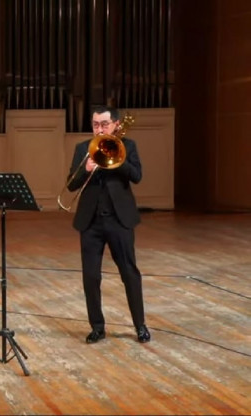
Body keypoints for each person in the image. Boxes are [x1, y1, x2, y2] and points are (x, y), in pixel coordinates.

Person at [66, 105, 150, 344]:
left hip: (119, 220)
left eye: (104, 124)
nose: (99, 129)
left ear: (115, 125)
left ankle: (140, 325)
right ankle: (97, 327)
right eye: (95, 125)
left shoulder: (128, 146)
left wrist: (116, 157)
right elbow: (71, 184)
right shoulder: (83, 148)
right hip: (91, 221)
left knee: (129, 273)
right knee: (91, 277)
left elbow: (137, 176)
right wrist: (86, 169)